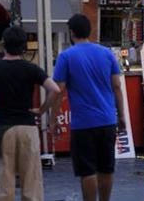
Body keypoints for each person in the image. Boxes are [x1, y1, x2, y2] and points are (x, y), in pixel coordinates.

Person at [0, 26, 61, 201]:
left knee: (2, 186)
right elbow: (55, 90)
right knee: (32, 184)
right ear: (23, 47)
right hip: (28, 128)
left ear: (3, 45)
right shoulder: (31, 68)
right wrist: (41, 110)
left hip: (2, 129)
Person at [51, 14, 127, 201]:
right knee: (106, 167)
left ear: (72, 32)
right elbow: (117, 86)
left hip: (83, 123)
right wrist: (122, 116)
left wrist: (53, 119)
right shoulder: (107, 53)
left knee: (87, 170)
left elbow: (58, 91)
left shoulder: (66, 56)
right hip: (107, 120)